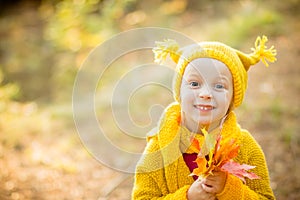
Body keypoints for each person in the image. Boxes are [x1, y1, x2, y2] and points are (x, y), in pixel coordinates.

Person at [132, 35, 276, 199]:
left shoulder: (245, 146)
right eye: (194, 84)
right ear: (179, 91)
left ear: (233, 98)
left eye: (219, 85)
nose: (206, 94)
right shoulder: (160, 145)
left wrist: (228, 188)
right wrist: (187, 197)